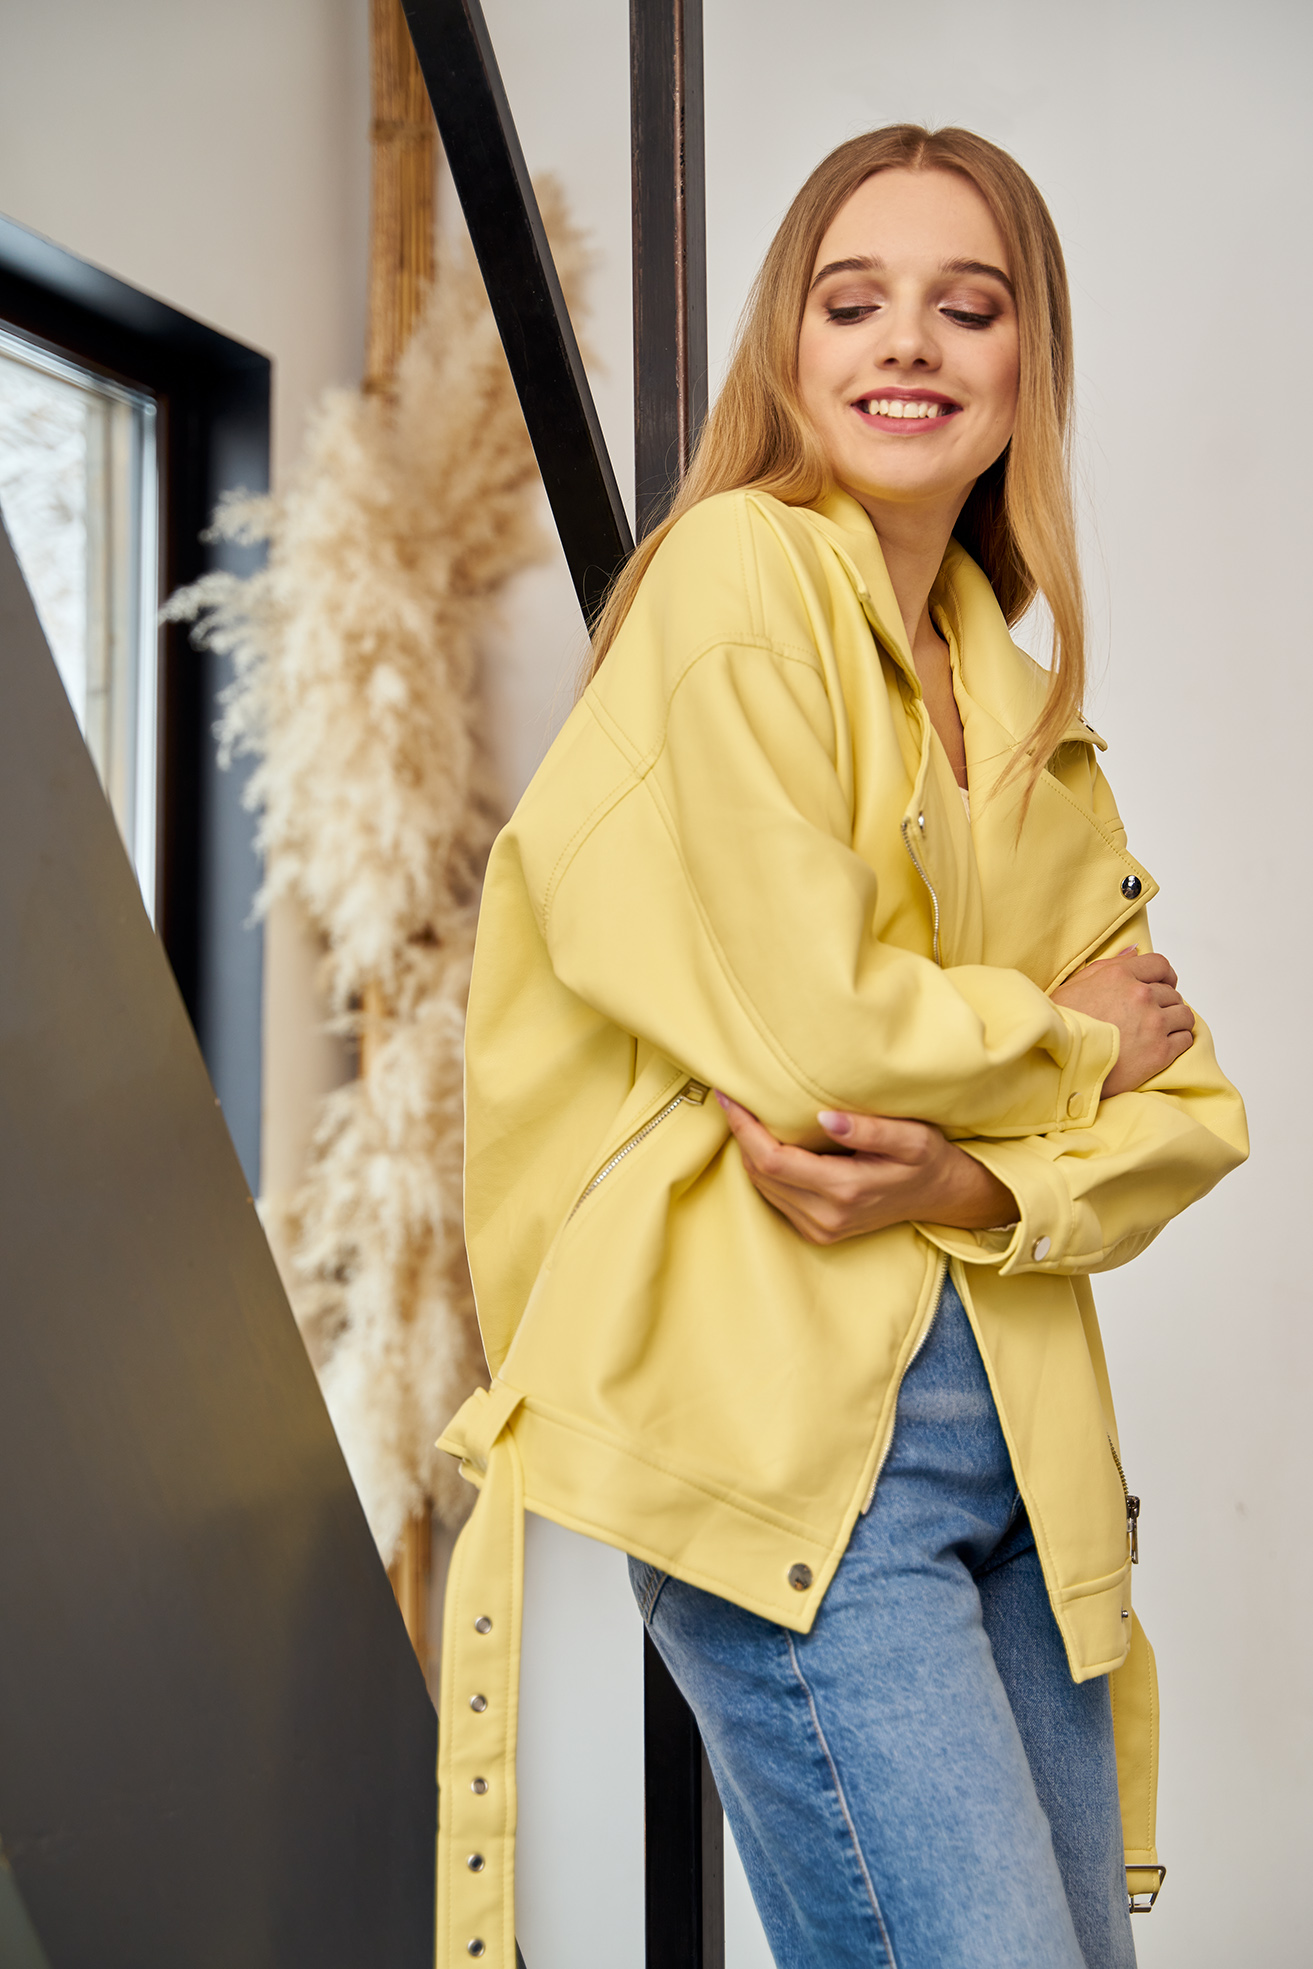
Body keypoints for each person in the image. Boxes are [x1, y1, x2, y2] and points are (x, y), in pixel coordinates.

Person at [436, 125, 1248, 1969]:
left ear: (1026, 361)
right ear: (787, 349)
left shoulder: (1024, 707)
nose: (907, 344)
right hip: (799, 1448)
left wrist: (967, 1170)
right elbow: (809, 1034)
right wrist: (1057, 1043)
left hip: (1023, 1455)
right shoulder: (734, 578)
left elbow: (1190, 1107)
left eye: (968, 305)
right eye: (852, 298)